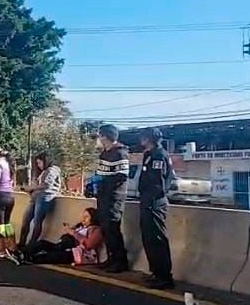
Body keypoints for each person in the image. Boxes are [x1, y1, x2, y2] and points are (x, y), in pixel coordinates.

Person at [138, 128, 175, 289]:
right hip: (146, 201)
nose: (141, 140)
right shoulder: (149, 154)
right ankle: (156, 272)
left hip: (155, 202)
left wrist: (150, 199)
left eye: (143, 138)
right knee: (148, 238)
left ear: (149, 139)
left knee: (157, 238)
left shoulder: (159, 155)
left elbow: (158, 183)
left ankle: (165, 276)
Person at [95, 124, 130, 273]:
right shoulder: (104, 154)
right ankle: (111, 258)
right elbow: (100, 174)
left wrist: (105, 183)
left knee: (113, 228)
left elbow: (121, 177)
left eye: (99, 136)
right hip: (103, 197)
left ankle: (120, 261)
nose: (98, 139)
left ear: (105, 136)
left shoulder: (120, 154)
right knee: (105, 229)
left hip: (114, 197)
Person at [21, 207, 105, 265]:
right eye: (83, 217)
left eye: (86, 217)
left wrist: (74, 233)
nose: (83, 219)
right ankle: (23, 253)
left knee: (52, 256)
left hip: (76, 253)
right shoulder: (80, 227)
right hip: (64, 245)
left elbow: (89, 245)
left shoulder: (96, 230)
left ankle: (30, 259)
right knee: (43, 243)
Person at [18, 152, 62, 250]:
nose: (39, 165)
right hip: (36, 197)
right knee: (26, 220)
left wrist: (31, 188)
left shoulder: (52, 170)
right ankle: (22, 243)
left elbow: (46, 185)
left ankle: (31, 245)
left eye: (39, 163)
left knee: (37, 222)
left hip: (45, 197)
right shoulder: (43, 172)